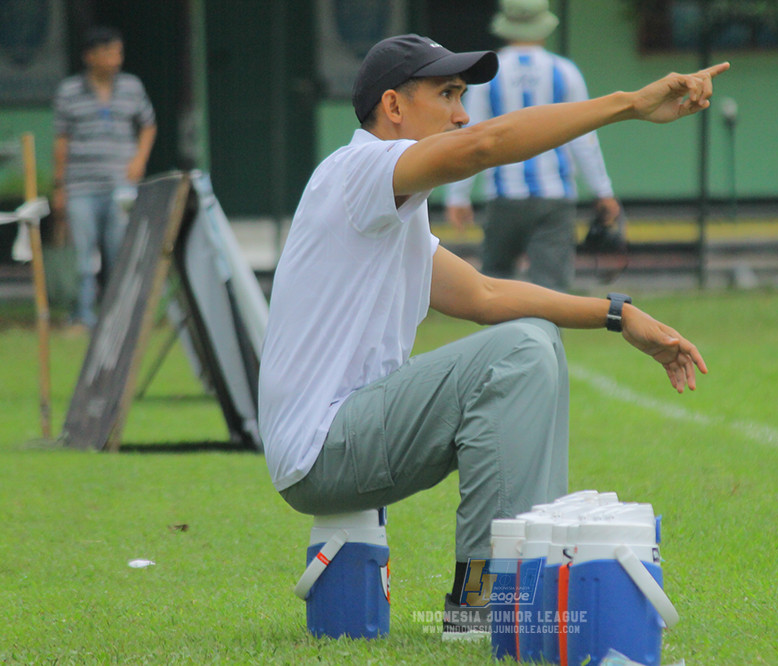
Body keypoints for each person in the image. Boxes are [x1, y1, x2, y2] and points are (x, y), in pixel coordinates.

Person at [259, 33, 726, 638]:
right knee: (522, 349)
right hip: (324, 447)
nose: (462, 112)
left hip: (336, 445)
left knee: (529, 340)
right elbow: (485, 146)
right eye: (448, 93)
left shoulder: (384, 209)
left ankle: (512, 591)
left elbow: (484, 296)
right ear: (394, 107)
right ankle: (489, 605)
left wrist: (618, 313)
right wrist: (629, 104)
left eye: (463, 95)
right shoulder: (358, 170)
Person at [444, 0, 621, 291]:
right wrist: (603, 192)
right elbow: (584, 138)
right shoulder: (564, 71)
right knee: (552, 288)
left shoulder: (488, 75)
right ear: (544, 25)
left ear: (505, 26)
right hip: (555, 195)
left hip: (503, 196)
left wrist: (458, 196)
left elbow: (471, 135)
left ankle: (505, 338)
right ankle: (546, 337)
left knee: (495, 287)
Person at [52, 26, 157, 330]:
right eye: (108, 52)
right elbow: (61, 141)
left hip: (121, 185)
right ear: (90, 57)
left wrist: (139, 159)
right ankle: (83, 315)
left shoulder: (132, 87)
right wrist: (59, 187)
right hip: (81, 185)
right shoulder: (69, 92)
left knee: (119, 251)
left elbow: (149, 125)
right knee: (83, 255)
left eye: (118, 52)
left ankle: (117, 317)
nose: (115, 58)